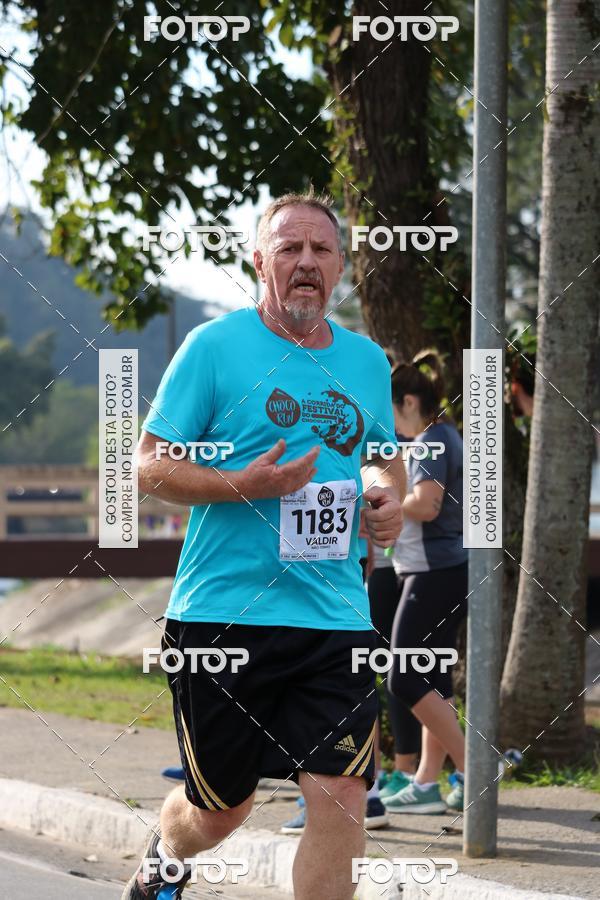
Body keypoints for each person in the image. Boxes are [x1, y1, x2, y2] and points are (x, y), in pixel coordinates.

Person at [123, 190, 405, 900]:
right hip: (225, 616)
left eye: (320, 250)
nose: (305, 262)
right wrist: (241, 483)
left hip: (334, 617)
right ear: (259, 261)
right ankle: (163, 866)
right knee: (221, 811)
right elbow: (146, 466)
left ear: (340, 266)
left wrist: (384, 503)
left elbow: (383, 459)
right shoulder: (214, 349)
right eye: (289, 249)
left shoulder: (368, 362)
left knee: (341, 795)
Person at [381, 350, 468, 815]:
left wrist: (377, 499)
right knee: (432, 677)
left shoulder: (433, 440)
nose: (391, 421)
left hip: (434, 571)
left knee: (403, 673)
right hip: (440, 570)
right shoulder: (441, 435)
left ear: (409, 402)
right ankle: (427, 782)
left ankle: (473, 764)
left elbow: (427, 504)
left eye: (392, 410)